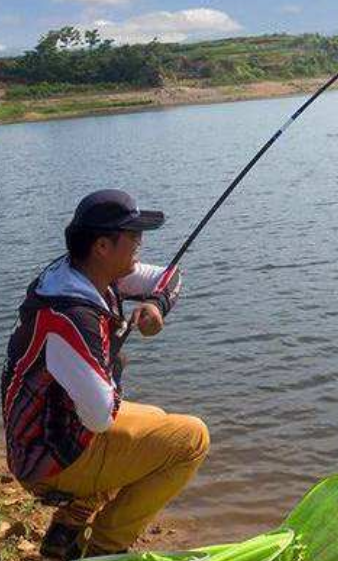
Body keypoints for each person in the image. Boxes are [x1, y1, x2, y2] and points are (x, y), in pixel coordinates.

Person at [1, 190, 210, 560]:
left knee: (159, 422)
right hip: (45, 460)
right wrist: (112, 364)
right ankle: (105, 548)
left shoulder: (80, 274)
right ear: (102, 245)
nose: (140, 245)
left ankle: (68, 526)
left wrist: (156, 304)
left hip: (40, 439)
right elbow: (99, 417)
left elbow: (169, 276)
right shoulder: (71, 318)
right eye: (133, 237)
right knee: (191, 440)